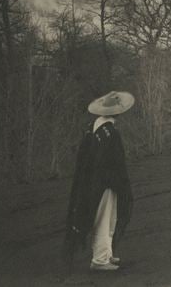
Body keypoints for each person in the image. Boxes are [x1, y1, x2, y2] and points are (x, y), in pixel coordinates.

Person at [62, 91, 135, 272]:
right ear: (116, 112)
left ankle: (106, 253)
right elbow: (114, 163)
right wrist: (120, 184)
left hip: (93, 182)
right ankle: (100, 259)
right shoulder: (110, 133)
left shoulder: (93, 128)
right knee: (105, 218)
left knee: (108, 218)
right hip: (106, 184)